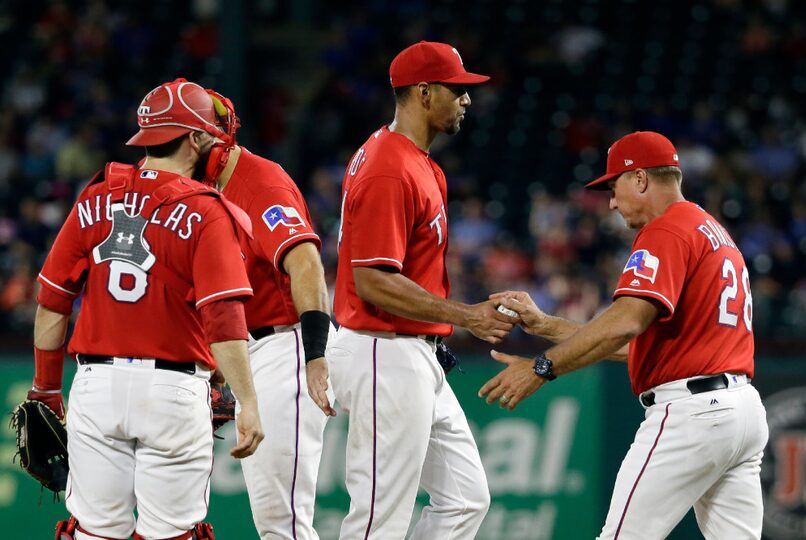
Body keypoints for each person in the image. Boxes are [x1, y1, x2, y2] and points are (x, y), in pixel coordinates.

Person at [479, 131, 769, 539]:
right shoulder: (709, 229)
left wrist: (541, 368)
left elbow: (626, 321)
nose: (612, 202)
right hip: (741, 410)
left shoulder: (665, 230)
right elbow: (646, 343)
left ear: (641, 180)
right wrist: (548, 326)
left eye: (614, 187)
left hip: (692, 415)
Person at [31, 78, 264, 540]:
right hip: (172, 391)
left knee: (94, 532)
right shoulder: (206, 209)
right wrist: (249, 401)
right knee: (172, 533)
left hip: (95, 387)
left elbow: (52, 301)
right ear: (195, 138)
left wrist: (45, 389)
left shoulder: (96, 195)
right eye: (210, 135)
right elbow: (223, 318)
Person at [328, 41, 518, 540]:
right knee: (379, 518)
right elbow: (372, 281)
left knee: (465, 499)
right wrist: (466, 315)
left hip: (412, 353)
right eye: (458, 89)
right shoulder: (390, 167)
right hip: (381, 350)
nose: (467, 99)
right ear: (424, 92)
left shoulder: (414, 160)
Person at [209, 98, 335, 539]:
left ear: (206, 138)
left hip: (287, 347)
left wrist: (316, 354)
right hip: (249, 353)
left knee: (283, 526)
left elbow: (305, 263)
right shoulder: (205, 190)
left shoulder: (259, 182)